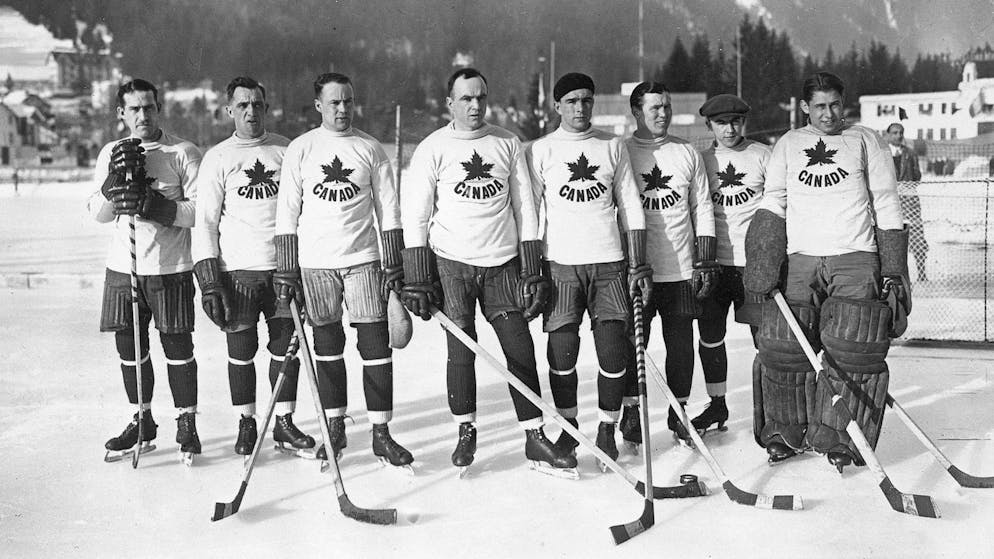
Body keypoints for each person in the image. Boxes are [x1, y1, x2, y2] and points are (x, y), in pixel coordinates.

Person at [401, 67, 575, 475]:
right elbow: (416, 216)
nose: (475, 105)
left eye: (480, 96)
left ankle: (534, 436)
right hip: (452, 265)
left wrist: (531, 269)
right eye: (466, 98)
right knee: (461, 352)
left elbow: (525, 207)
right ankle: (466, 431)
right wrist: (418, 275)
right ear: (450, 103)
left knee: (520, 350)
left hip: (503, 266)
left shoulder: (506, 142)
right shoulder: (432, 148)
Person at [744, 71, 910, 471]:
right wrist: (764, 257)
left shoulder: (866, 140)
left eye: (835, 104)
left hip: (855, 255)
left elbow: (886, 202)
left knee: (853, 349)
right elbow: (774, 200)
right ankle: (786, 430)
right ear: (805, 107)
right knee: (787, 347)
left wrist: (893, 269)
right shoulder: (788, 144)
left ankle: (841, 436)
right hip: (801, 257)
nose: (828, 114)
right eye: (819, 106)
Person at [274, 72, 413, 469]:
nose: (342, 109)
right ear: (318, 105)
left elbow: (389, 211)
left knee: (376, 346)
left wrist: (394, 264)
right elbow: (287, 213)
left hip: (363, 260)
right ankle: (334, 427)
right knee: (328, 347)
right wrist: (287, 270)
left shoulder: (369, 148)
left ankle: (381, 432)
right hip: (316, 264)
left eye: (348, 101)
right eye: (334, 102)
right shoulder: (302, 149)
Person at [527, 72, 651, 465]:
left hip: (609, 264)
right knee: (562, 354)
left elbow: (629, 204)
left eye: (586, 100)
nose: (580, 108)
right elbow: (530, 213)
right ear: (557, 106)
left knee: (613, 353)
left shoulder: (612, 145)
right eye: (571, 101)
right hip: (561, 265)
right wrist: (531, 267)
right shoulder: (542, 149)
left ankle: (606, 428)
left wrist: (638, 262)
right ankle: (568, 429)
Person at [191, 76, 315, 458]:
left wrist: (303, 266)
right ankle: (246, 422)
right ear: (229, 110)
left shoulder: (286, 150)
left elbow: (306, 213)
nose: (250, 112)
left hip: (282, 270)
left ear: (266, 108)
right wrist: (209, 282)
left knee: (284, 350)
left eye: (257, 104)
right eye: (242, 105)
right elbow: (205, 223)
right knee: (241, 351)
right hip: (237, 272)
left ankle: (284, 422)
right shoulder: (218, 158)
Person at [88, 79, 203, 462]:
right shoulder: (111, 152)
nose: (143, 115)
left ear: (159, 109)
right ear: (121, 113)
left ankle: (186, 422)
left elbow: (199, 212)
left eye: (149, 107)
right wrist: (113, 185)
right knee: (130, 349)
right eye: (134, 109)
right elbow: (98, 213)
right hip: (124, 268)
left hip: (170, 267)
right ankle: (142, 420)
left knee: (178, 348)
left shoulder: (182, 152)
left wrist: (154, 205)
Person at [619, 82, 716, 449]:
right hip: (639, 269)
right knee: (633, 344)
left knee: (680, 346)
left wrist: (704, 258)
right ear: (636, 112)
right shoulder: (623, 152)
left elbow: (702, 207)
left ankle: (679, 412)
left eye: (667, 106)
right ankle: (631, 413)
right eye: (655, 107)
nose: (663, 113)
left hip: (680, 269)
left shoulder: (685, 152)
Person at [692, 94, 770, 438]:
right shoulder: (701, 160)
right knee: (710, 337)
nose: (730, 129)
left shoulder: (762, 155)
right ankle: (717, 403)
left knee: (765, 340)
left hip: (753, 265)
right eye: (721, 123)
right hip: (714, 264)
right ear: (709, 125)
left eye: (736, 121)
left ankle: (773, 411)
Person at [885, 123, 928, 281]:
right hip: (889, 202)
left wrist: (906, 187)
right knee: (891, 237)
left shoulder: (911, 153)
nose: (898, 136)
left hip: (910, 201)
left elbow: (917, 176)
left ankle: (922, 273)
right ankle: (894, 276)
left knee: (917, 235)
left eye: (901, 132)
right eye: (895, 133)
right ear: (888, 135)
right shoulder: (882, 154)